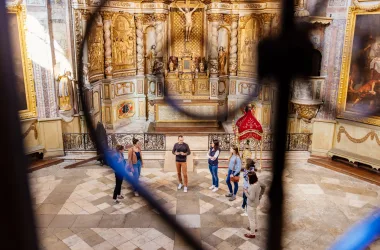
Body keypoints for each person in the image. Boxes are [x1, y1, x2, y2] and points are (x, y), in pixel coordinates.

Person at [245, 172, 261, 239]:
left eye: (248, 178)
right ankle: (255, 228)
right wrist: (260, 195)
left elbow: (251, 198)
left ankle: (252, 234)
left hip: (251, 204)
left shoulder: (252, 187)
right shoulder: (257, 183)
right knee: (255, 216)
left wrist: (245, 192)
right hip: (256, 203)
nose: (247, 179)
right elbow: (263, 187)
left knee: (251, 219)